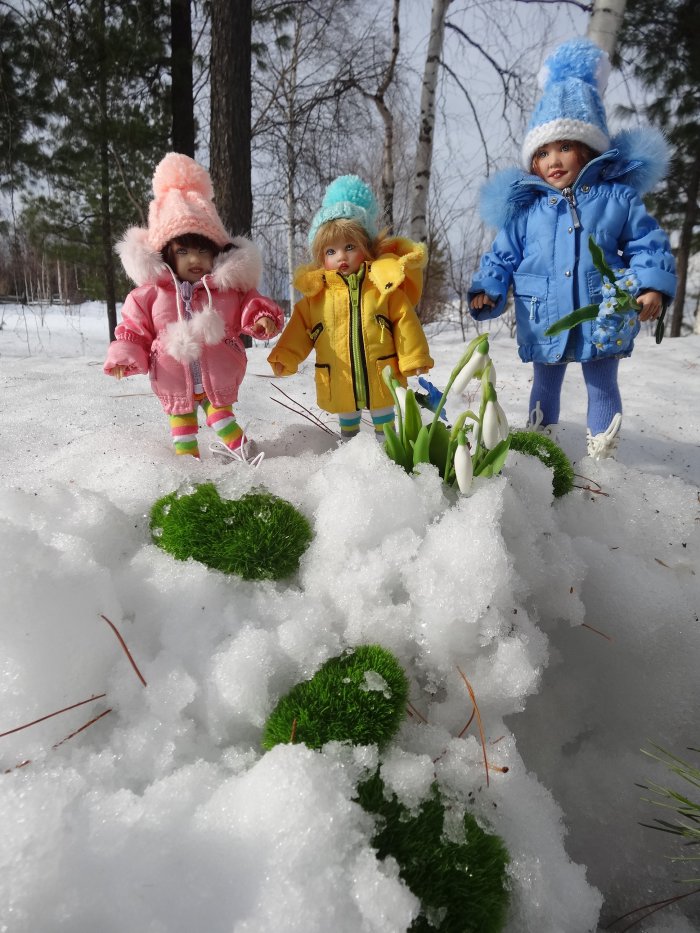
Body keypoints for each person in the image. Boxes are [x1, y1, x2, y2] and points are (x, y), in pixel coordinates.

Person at [468, 38, 676, 459]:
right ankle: (539, 451)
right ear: (532, 162)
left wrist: (651, 285)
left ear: (588, 149)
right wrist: (487, 288)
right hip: (544, 313)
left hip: (603, 313)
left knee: (602, 383)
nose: (554, 160)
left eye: (565, 146)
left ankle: (603, 455)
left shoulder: (616, 199)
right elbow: (502, 255)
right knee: (545, 383)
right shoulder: (527, 211)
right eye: (543, 151)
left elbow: (646, 242)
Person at [104, 153, 284, 460]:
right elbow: (133, 329)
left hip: (219, 373)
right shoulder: (151, 294)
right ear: (165, 254)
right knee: (182, 432)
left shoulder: (225, 287)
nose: (194, 259)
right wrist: (124, 355)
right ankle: (189, 474)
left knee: (223, 419)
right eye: (183, 250)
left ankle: (246, 457)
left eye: (203, 250)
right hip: (173, 377)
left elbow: (249, 303)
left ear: (216, 252)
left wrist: (261, 317)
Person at [267, 175, 433, 442]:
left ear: (366, 248)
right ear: (321, 257)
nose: (341, 256)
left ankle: (387, 448)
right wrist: (285, 355)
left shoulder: (382, 288)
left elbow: (405, 322)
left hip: (381, 373)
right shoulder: (316, 298)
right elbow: (299, 329)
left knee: (384, 415)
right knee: (347, 416)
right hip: (339, 376)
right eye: (331, 251)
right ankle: (350, 449)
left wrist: (413, 357)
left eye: (349, 247)